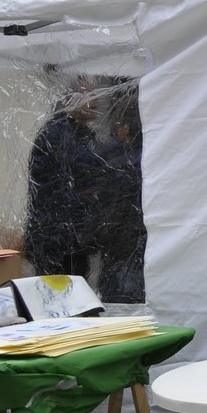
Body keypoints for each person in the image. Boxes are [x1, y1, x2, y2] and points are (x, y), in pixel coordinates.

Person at [22, 78, 102, 277]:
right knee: (56, 291)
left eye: (95, 95)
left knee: (75, 290)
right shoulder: (56, 133)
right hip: (56, 237)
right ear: (70, 100)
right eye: (88, 95)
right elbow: (53, 185)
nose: (95, 101)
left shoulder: (81, 134)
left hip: (73, 235)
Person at [92, 84, 146, 304]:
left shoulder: (116, 165)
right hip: (142, 246)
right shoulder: (153, 161)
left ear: (125, 129)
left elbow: (109, 210)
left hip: (119, 248)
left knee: (119, 303)